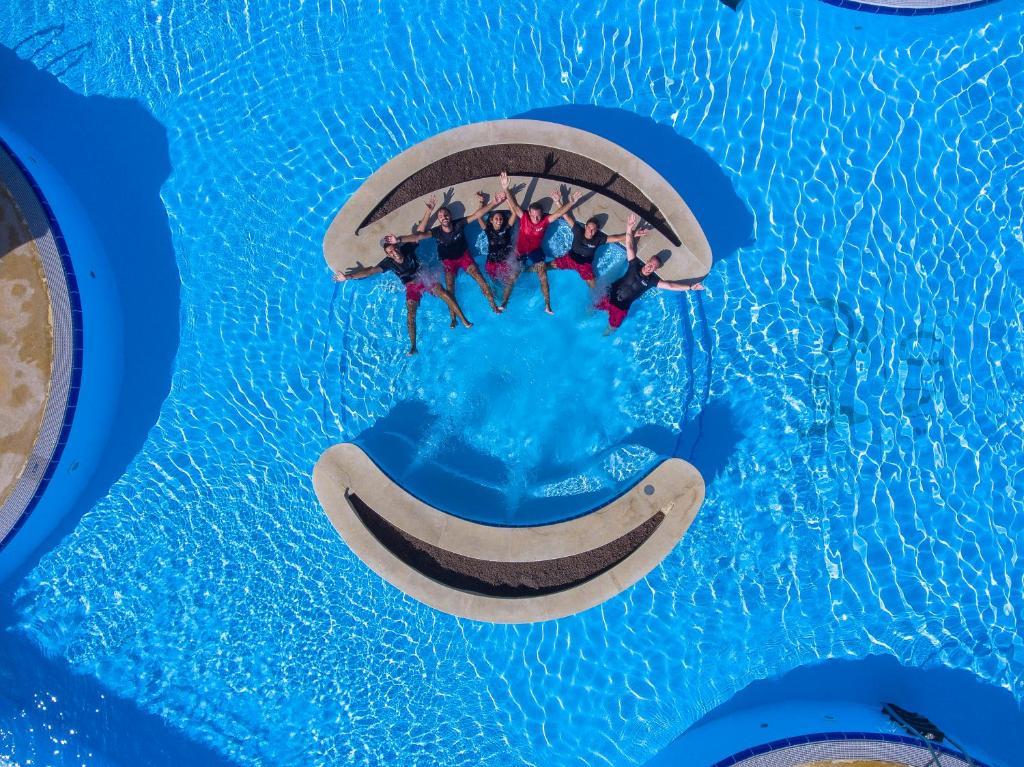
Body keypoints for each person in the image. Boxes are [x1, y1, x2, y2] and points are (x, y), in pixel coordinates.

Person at [387, 191, 504, 326]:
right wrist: (399, 239)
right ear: (439, 220)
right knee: (449, 289)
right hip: (449, 262)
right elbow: (418, 237)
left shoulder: (459, 224)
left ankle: (493, 305)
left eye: (445, 214)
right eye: (440, 216)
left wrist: (495, 202)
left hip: (464, 257)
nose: (443, 217)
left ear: (450, 216)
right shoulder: (436, 232)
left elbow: (477, 215)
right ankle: (453, 317)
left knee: (480, 279)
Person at [333, 241, 470, 355]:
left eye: (394, 249)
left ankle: (462, 319)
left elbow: (419, 234)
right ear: (388, 255)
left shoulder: (407, 249)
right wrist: (347, 277)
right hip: (411, 287)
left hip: (424, 276)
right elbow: (370, 271)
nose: (394, 253)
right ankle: (413, 346)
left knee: (444, 293)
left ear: (398, 247)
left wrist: (428, 212)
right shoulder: (389, 263)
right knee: (410, 314)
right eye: (390, 252)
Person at [595, 214, 705, 332]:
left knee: (612, 328)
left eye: (653, 267)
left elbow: (670, 285)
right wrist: (629, 228)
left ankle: (602, 336)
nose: (649, 267)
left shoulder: (651, 281)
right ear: (646, 261)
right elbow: (630, 246)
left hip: (620, 308)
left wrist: (690, 287)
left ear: (655, 270)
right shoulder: (634, 266)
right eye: (650, 264)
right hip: (609, 296)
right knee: (592, 308)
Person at [548, 194, 650, 289]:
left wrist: (634, 234)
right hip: (569, 259)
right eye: (589, 228)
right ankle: (531, 269)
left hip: (584, 266)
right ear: (585, 226)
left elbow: (617, 238)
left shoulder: (598, 239)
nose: (590, 231)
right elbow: (566, 216)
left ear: (597, 230)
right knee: (546, 266)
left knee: (593, 287)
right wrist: (558, 201)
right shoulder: (578, 230)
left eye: (593, 229)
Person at [482, 171, 519, 287]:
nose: (499, 220)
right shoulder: (488, 230)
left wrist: (507, 198)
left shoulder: (507, 228)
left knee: (509, 283)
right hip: (491, 263)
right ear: (491, 220)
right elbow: (478, 217)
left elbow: (514, 213)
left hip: (505, 262)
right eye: (496, 218)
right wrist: (481, 202)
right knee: (493, 284)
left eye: (501, 219)